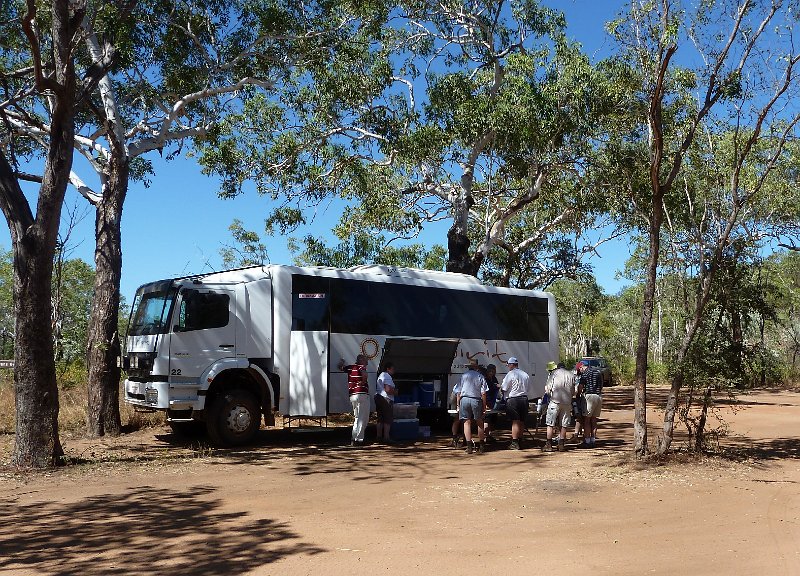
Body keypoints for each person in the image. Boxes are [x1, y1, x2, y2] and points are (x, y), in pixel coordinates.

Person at [543, 361, 575, 452]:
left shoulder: (554, 373)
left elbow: (547, 388)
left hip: (555, 401)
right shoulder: (571, 375)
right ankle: (561, 445)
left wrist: (550, 395)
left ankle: (548, 444)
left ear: (558, 367)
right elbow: (574, 391)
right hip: (567, 403)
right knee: (564, 424)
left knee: (550, 423)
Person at [458, 361, 489, 454]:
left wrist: (458, 404)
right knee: (479, 422)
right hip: (476, 399)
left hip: (465, 399)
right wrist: (484, 406)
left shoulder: (463, 376)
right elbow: (483, 393)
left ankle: (469, 446)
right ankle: (481, 446)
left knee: (466, 422)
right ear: (476, 367)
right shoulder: (480, 376)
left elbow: (458, 391)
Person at [339, 354, 370, 447]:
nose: (367, 361)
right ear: (361, 360)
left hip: (352, 395)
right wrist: (363, 382)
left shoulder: (350, 368)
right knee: (363, 418)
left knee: (357, 417)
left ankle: (354, 438)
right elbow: (365, 374)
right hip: (362, 394)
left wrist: (342, 362)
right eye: (366, 359)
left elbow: (341, 368)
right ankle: (359, 440)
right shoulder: (361, 367)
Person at [501, 357, 530, 450]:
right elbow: (528, 388)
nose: (508, 366)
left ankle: (515, 442)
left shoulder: (511, 374)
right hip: (524, 399)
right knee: (521, 421)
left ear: (512, 365)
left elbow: (504, 387)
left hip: (513, 400)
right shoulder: (525, 374)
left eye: (509, 365)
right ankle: (520, 440)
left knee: (515, 421)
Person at [577, 359, 604, 447]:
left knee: (587, 420)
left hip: (589, 396)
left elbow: (580, 386)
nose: (579, 371)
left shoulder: (585, 373)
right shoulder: (598, 372)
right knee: (594, 419)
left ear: (582, 367)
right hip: (598, 396)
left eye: (579, 369)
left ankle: (587, 441)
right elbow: (601, 385)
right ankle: (593, 440)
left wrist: (578, 394)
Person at [375, 362, 396, 443]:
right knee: (387, 418)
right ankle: (386, 437)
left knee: (380, 418)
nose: (394, 371)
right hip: (385, 398)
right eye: (392, 369)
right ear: (388, 369)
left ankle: (379, 436)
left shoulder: (381, 375)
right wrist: (396, 392)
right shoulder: (387, 376)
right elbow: (388, 390)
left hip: (378, 397)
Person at [482, 364, 500, 444]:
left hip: (494, 401)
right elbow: (484, 392)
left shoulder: (494, 378)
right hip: (487, 400)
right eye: (491, 370)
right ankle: (486, 436)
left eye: (494, 370)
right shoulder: (485, 379)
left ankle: (489, 435)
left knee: (493, 419)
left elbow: (496, 387)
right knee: (487, 418)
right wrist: (485, 403)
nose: (492, 372)